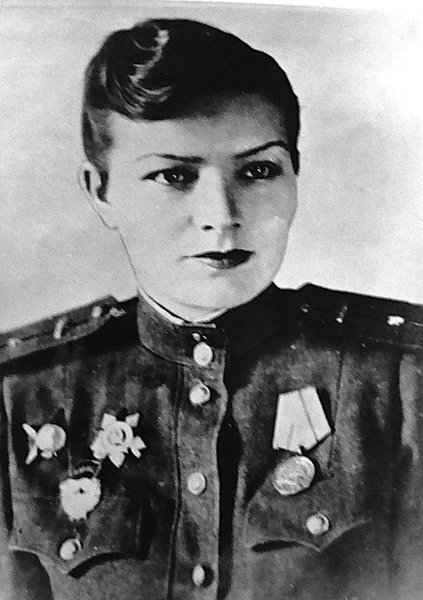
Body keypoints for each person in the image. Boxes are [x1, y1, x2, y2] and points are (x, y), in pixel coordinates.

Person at [0, 17, 422, 600]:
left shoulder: (401, 382)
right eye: (173, 175)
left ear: (294, 176)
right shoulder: (19, 397)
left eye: (258, 171)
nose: (222, 215)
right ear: (102, 191)